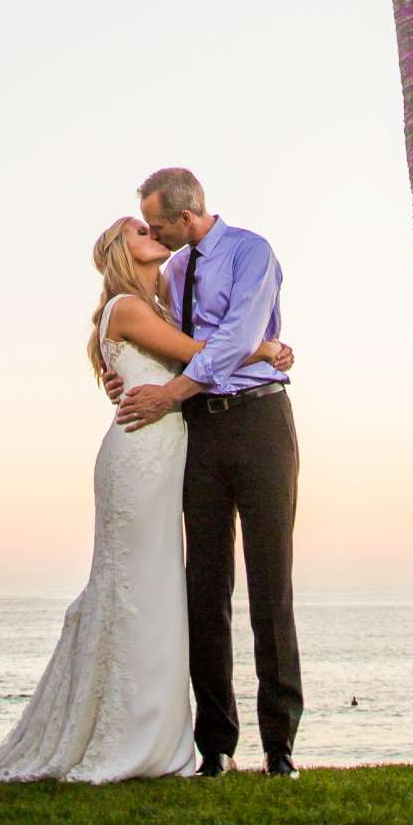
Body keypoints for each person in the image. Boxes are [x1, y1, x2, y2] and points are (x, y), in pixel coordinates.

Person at [0, 212, 290, 784]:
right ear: (122, 250)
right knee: (143, 588)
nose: (155, 235)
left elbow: (169, 355)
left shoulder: (158, 301)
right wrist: (263, 347)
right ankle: (147, 736)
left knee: (158, 591)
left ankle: (168, 734)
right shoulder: (128, 307)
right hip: (142, 457)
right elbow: (199, 350)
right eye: (140, 231)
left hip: (171, 452)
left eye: (154, 227)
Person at [112, 167, 303, 779]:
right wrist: (130, 374)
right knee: (206, 589)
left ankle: (280, 748)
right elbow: (162, 338)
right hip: (202, 431)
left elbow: (233, 338)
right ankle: (216, 746)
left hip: (261, 424)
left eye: (160, 224)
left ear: (187, 216)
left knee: (270, 585)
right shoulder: (171, 271)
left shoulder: (252, 253)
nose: (156, 233)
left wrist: (168, 394)